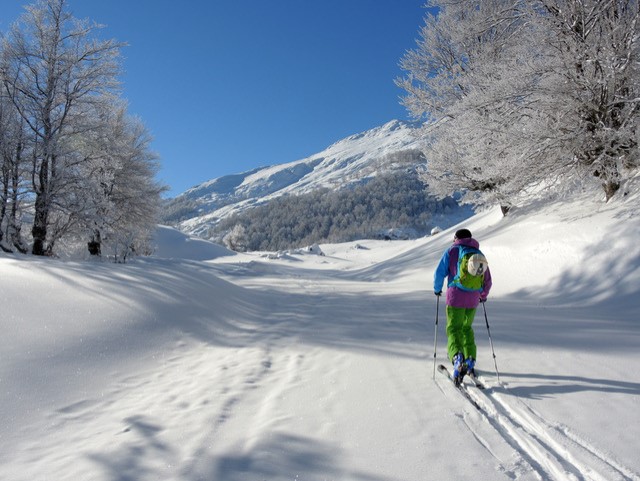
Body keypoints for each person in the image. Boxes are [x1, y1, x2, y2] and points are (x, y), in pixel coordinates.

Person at [433, 228, 492, 384]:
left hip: (455, 297)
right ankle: (470, 359)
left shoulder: (452, 251)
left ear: (456, 238)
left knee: (453, 328)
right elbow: (488, 280)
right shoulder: (479, 255)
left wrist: (437, 289)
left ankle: (457, 358)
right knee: (466, 328)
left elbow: (439, 272)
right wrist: (482, 295)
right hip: (473, 299)